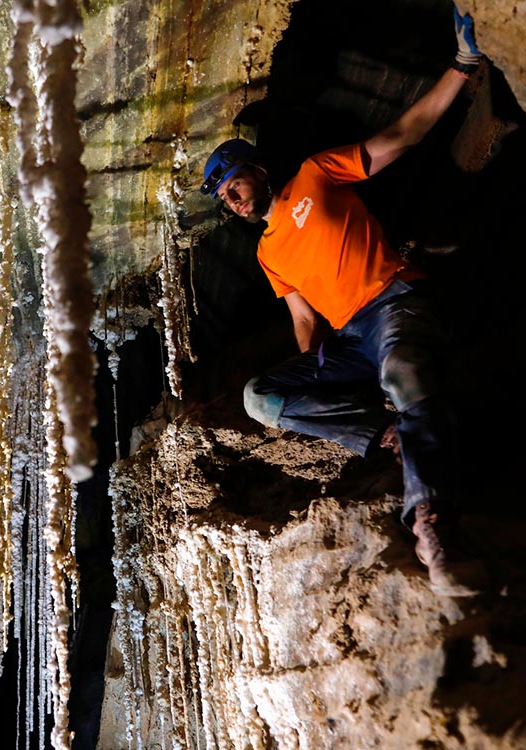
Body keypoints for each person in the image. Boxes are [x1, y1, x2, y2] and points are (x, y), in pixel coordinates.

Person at [201, 9, 486, 596]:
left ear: (258, 170)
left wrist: (461, 67)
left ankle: (431, 524)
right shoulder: (268, 254)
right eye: (224, 196)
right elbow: (304, 320)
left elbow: (403, 135)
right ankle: (384, 433)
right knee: (260, 397)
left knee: (403, 370)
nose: (232, 198)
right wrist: (322, 377)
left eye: (235, 183)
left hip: (394, 303)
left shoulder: (315, 175)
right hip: (352, 339)